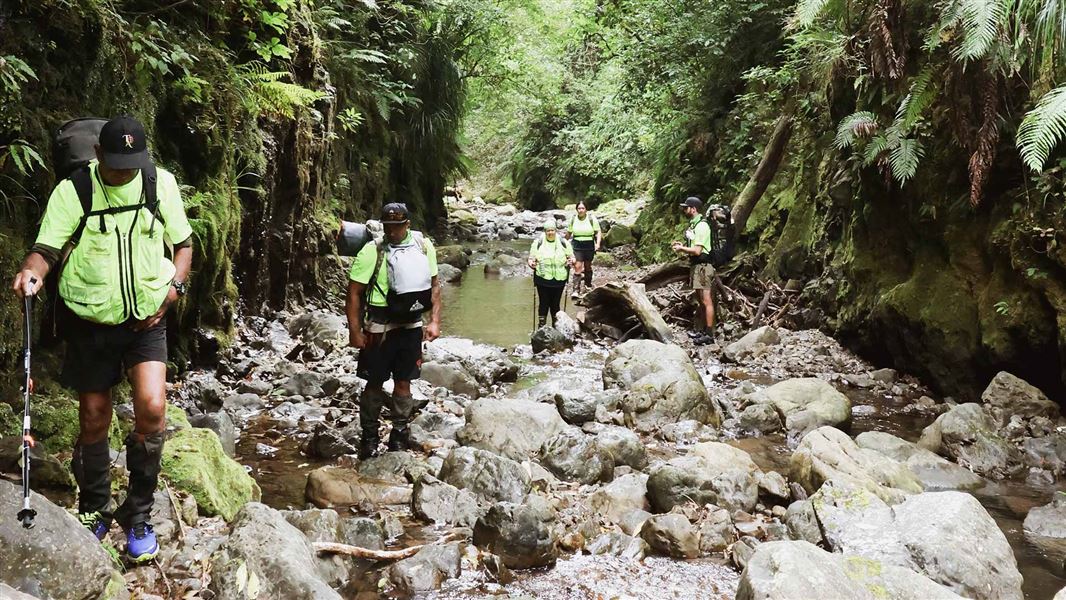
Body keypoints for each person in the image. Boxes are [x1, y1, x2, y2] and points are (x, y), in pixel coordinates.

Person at [11, 115, 194, 561]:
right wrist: (31, 274)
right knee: (94, 416)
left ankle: (140, 514)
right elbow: (46, 250)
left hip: (148, 319)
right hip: (90, 321)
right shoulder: (74, 191)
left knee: (152, 408)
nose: (124, 172)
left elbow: (184, 244)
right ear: (97, 156)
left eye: (132, 164)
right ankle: (95, 507)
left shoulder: (159, 184)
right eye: (116, 165)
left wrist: (173, 291)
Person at [347, 203, 441, 459]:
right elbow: (354, 293)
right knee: (373, 382)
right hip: (379, 326)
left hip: (411, 325)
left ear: (407, 224)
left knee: (404, 382)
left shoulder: (423, 247)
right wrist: (354, 331)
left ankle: (399, 435)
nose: (393, 232)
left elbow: (434, 285)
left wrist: (434, 321)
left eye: (398, 226)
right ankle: (369, 437)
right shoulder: (372, 250)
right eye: (388, 227)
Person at [671, 196, 716, 345]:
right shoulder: (694, 225)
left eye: (686, 208)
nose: (684, 210)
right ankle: (702, 331)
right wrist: (682, 245)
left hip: (703, 266)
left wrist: (681, 248)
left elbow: (697, 250)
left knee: (706, 300)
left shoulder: (702, 226)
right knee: (701, 300)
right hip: (697, 266)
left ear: (693, 209)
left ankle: (709, 334)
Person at [528, 220, 575, 328]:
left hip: (559, 279)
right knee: (544, 302)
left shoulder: (564, 242)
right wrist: (532, 263)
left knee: (555, 304)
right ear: (545, 231)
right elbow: (531, 258)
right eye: (548, 230)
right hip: (542, 278)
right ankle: (542, 326)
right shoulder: (538, 242)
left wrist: (571, 261)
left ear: (556, 230)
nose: (550, 232)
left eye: (552, 230)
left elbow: (572, 257)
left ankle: (556, 326)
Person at [566, 201, 601, 297]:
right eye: (579, 208)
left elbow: (598, 232)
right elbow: (569, 233)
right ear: (576, 210)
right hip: (577, 244)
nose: (581, 210)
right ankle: (575, 290)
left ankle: (587, 286)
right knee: (577, 266)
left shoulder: (591, 219)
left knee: (588, 266)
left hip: (589, 244)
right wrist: (563, 243)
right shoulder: (573, 219)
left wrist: (597, 244)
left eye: (583, 208)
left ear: (586, 209)